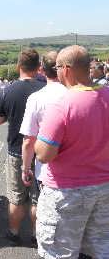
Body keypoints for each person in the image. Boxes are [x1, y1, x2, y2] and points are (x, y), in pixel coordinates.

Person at [35, 45, 109, 259]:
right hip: (104, 189)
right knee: (101, 250)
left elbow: (44, 154)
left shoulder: (62, 105)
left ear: (66, 69)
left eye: (57, 67)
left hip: (66, 193)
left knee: (59, 253)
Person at [0, 48, 45, 245]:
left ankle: (14, 232)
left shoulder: (8, 90)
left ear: (18, 66)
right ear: (37, 67)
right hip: (41, 150)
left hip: (16, 149)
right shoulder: (44, 88)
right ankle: (36, 234)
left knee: (16, 197)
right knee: (36, 198)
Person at [20, 51, 67, 188]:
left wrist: (26, 168)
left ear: (42, 69)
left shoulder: (36, 99)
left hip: (48, 173)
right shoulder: (75, 94)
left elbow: (29, 141)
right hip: (79, 172)